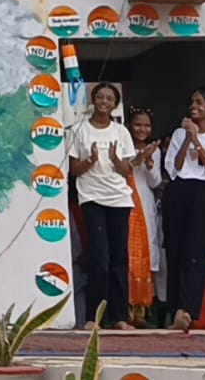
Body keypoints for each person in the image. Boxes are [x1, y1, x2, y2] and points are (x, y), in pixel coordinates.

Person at [68, 82, 135, 330]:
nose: (104, 102)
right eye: (100, 97)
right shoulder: (79, 130)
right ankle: (93, 318)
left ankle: (119, 317)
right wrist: (91, 161)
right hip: (92, 198)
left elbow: (127, 170)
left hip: (119, 198)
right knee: (100, 258)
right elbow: (73, 170)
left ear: (115, 105)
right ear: (93, 100)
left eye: (110, 99)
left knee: (119, 258)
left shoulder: (121, 132)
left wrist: (116, 159)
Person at [163, 87, 205, 331]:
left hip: (204, 192)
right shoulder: (180, 133)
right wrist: (187, 138)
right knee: (175, 249)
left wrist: (198, 141)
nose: (194, 106)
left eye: (200, 102)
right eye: (191, 102)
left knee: (196, 251)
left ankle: (188, 310)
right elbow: (173, 168)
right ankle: (174, 310)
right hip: (179, 191)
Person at [126, 106, 165, 327]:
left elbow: (155, 182)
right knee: (128, 258)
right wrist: (138, 158)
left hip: (145, 204)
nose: (142, 129)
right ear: (130, 126)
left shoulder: (155, 150)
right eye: (138, 124)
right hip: (127, 203)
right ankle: (126, 309)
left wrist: (150, 164)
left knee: (144, 257)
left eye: (146, 125)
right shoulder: (123, 145)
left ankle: (141, 310)